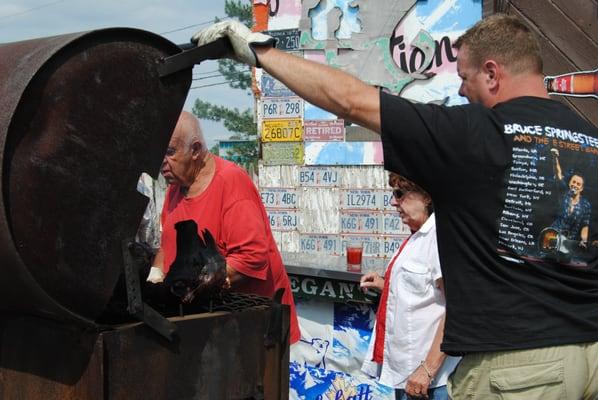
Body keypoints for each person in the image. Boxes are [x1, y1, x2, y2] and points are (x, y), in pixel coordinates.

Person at [192, 13, 598, 398]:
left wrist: (260, 52)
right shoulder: (590, 139)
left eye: (465, 78)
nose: (460, 91)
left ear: (492, 73)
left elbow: (351, 100)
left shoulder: (473, 133)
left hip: (522, 370)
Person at [146, 111, 300, 344]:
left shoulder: (231, 183)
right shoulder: (175, 189)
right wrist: (154, 281)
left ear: (195, 150)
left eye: (169, 152)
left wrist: (196, 284)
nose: (162, 162)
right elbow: (166, 247)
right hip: (211, 322)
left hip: (256, 324)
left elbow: (252, 257)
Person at [360, 173, 459, 400]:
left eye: (400, 194)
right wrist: (386, 286)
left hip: (430, 380)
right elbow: (422, 292)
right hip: (410, 374)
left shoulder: (438, 237)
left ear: (425, 197)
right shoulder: (418, 236)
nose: (394, 202)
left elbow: (457, 307)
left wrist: (428, 369)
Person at [550, 148, 591, 245]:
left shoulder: (585, 204)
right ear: (569, 183)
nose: (575, 185)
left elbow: (585, 225)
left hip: (568, 242)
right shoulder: (564, 192)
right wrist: (555, 158)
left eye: (578, 184)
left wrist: (584, 240)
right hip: (552, 236)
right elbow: (558, 173)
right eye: (573, 182)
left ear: (581, 188)